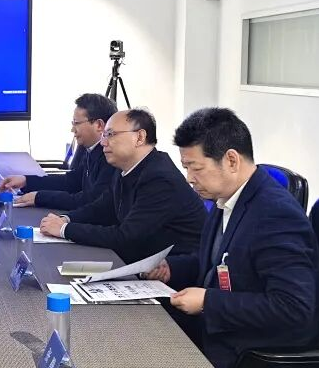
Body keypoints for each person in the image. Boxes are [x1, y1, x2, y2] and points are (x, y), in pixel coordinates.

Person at [143, 107, 319, 368]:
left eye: (196, 168)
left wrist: (208, 301)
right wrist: (171, 268)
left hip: (252, 355)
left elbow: (293, 307)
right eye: (186, 168)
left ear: (231, 160)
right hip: (220, 330)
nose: (189, 178)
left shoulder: (275, 215)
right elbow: (221, 262)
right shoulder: (226, 197)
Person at [39, 109, 205, 263]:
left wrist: (65, 229)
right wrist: (66, 219)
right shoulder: (126, 168)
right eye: (103, 135)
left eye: (110, 134)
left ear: (140, 137)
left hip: (174, 270)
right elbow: (102, 208)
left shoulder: (160, 178)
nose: (103, 142)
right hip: (141, 260)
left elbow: (126, 237)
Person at [0, 93, 117, 209]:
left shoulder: (112, 157)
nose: (72, 129)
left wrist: (39, 197)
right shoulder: (91, 150)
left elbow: (91, 200)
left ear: (99, 125)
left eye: (77, 123)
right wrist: (26, 181)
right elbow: (71, 182)